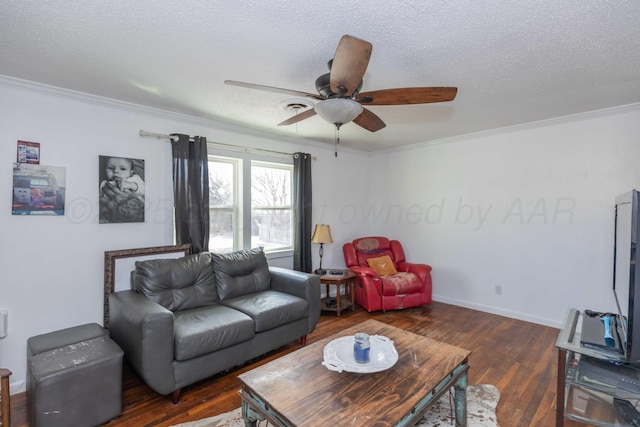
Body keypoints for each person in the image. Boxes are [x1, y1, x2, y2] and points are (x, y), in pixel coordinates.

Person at [99, 156, 145, 223]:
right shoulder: (105, 183)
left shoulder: (134, 179)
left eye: (123, 169)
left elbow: (144, 189)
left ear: (131, 173)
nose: (116, 171)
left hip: (134, 209)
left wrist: (130, 185)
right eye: (110, 168)